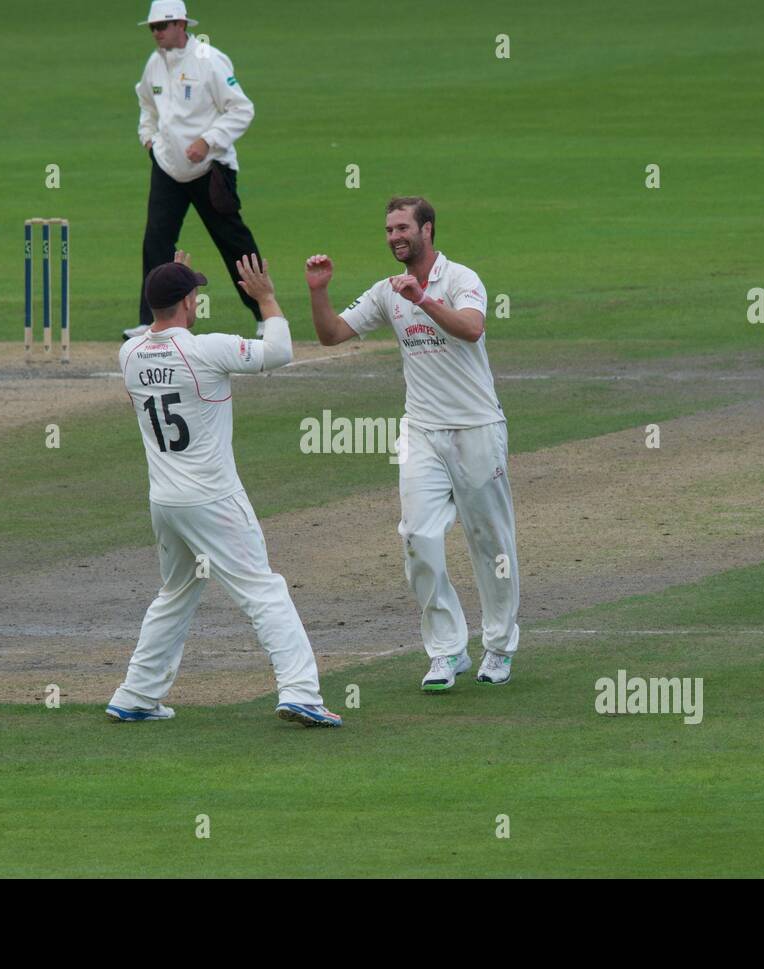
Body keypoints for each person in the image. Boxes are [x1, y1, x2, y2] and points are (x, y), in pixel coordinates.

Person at [106, 251, 342, 728]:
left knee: (177, 593)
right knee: (264, 590)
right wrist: (267, 300)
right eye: (194, 294)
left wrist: (171, 281)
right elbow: (278, 352)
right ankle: (301, 693)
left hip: (165, 502)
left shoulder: (128, 354)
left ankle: (136, 694)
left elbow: (164, 336)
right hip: (212, 499)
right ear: (189, 302)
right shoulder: (204, 349)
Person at [304, 197, 519, 692]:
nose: (393, 236)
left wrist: (421, 298)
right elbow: (332, 334)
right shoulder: (387, 290)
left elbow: (472, 328)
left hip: (477, 428)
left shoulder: (462, 279)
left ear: (427, 229)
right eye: (387, 229)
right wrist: (320, 292)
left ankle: (500, 647)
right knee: (418, 538)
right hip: (420, 431)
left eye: (402, 227)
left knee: (492, 544)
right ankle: (446, 651)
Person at [124, 1, 265, 340]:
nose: (156, 33)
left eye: (163, 26)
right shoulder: (154, 64)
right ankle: (150, 321)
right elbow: (146, 103)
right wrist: (149, 139)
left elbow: (241, 109)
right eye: (153, 28)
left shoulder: (209, 59)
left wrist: (208, 140)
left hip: (210, 168)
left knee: (232, 241)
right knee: (156, 241)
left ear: (182, 24)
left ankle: (265, 314)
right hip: (168, 167)